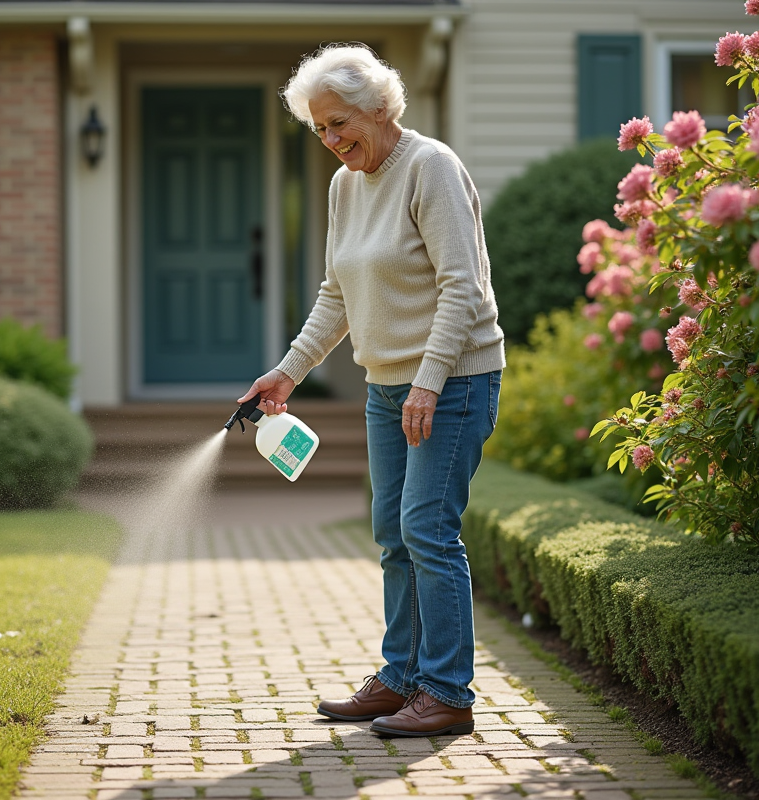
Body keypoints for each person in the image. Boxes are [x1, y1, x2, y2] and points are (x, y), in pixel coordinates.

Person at [237, 44, 505, 738]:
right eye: (319, 129)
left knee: (427, 530)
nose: (330, 141)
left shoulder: (430, 168)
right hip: (388, 387)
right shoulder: (345, 187)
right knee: (392, 534)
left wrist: (429, 379)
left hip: (453, 381)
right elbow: (338, 294)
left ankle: (447, 693)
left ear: (381, 108)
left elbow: (463, 289)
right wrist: (288, 371)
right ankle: (401, 678)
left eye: (339, 123)